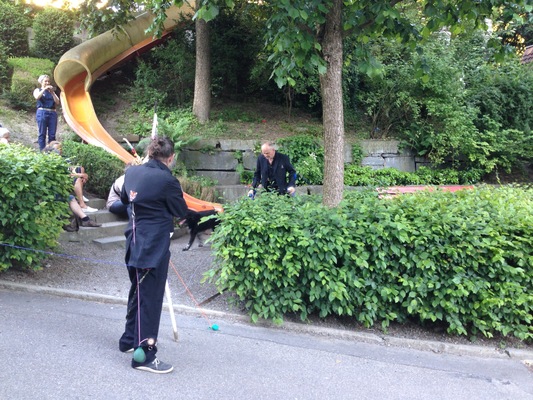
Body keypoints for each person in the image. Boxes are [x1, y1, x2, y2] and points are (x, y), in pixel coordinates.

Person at [119, 136, 188, 374]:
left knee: (138, 292)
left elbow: (125, 199)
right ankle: (144, 355)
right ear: (170, 158)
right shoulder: (168, 180)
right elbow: (180, 211)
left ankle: (129, 339)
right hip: (152, 247)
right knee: (150, 298)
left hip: (133, 241)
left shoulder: (131, 172)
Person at [43, 141, 98, 213]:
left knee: (80, 169)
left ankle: (80, 193)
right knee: (78, 179)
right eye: (57, 149)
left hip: (67, 178)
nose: (59, 150)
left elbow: (70, 169)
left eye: (60, 148)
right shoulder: (52, 161)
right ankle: (82, 205)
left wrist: (80, 172)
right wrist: (81, 175)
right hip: (60, 181)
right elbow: (64, 174)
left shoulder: (64, 158)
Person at [34, 74, 60, 151]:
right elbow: (37, 97)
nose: (47, 83)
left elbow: (57, 102)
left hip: (52, 113)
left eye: (48, 81)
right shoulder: (37, 90)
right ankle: (42, 151)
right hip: (42, 112)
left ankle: (51, 151)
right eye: (45, 81)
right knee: (42, 133)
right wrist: (44, 89)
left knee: (52, 134)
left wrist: (52, 92)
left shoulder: (52, 92)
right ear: (41, 82)